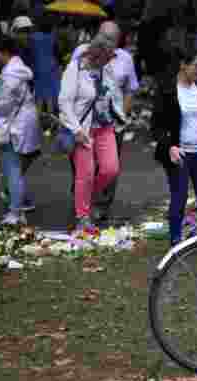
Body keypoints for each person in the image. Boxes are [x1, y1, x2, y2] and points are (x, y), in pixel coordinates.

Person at [151, 47, 197, 245]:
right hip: (180, 153)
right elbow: (156, 126)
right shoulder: (168, 89)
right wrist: (170, 146)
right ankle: (175, 240)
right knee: (179, 198)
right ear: (183, 65)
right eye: (196, 65)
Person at [70, 21, 139, 222]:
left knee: (110, 168)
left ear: (118, 41)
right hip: (83, 121)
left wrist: (122, 116)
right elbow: (70, 84)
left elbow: (131, 89)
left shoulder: (125, 59)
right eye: (103, 36)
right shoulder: (81, 52)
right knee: (83, 168)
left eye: (111, 39)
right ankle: (82, 203)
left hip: (110, 122)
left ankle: (100, 204)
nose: (106, 42)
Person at [59, 32, 124, 230]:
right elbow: (64, 102)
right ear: (98, 54)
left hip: (105, 125)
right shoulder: (76, 68)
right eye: (108, 56)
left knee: (111, 169)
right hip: (84, 128)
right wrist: (76, 130)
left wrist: (120, 116)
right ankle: (82, 216)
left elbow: (113, 94)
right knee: (84, 174)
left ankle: (87, 198)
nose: (110, 60)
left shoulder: (107, 69)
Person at [0, 35, 40, 226]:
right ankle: (21, 202)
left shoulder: (9, 76)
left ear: (3, 52)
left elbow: (2, 106)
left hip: (14, 126)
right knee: (16, 167)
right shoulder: (21, 70)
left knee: (12, 169)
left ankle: (15, 212)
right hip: (25, 122)